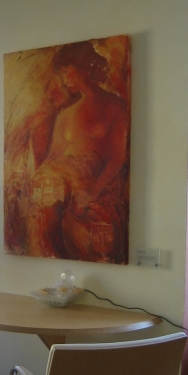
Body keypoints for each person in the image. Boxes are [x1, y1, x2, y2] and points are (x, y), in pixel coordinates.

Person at [26, 40, 130, 263]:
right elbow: (52, 158)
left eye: (66, 72)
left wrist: (94, 189)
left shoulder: (114, 105)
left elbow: (118, 157)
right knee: (43, 210)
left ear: (82, 67)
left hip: (97, 187)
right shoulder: (65, 115)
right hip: (65, 189)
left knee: (91, 236)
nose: (64, 80)